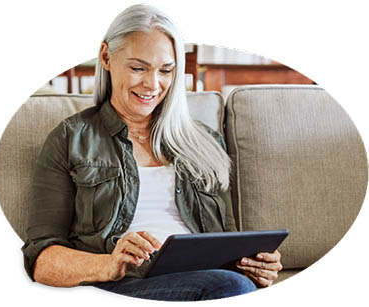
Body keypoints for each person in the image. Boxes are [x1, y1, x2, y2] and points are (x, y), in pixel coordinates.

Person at [22, 4, 283, 301]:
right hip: (124, 285)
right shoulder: (71, 138)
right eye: (138, 68)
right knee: (232, 288)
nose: (152, 84)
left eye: (166, 71)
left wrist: (252, 264)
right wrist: (110, 263)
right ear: (106, 57)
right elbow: (41, 260)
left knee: (235, 284)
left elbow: (227, 239)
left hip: (210, 279)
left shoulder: (205, 142)